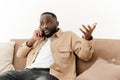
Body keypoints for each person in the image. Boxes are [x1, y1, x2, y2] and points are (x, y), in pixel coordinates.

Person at [0, 12, 97, 80]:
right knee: (4, 75)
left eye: (49, 22)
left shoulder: (68, 36)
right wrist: (32, 40)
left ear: (57, 23)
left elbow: (86, 56)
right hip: (28, 71)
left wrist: (86, 39)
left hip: (51, 74)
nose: (45, 26)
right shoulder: (38, 39)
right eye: (42, 24)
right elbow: (20, 54)